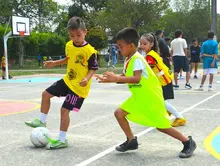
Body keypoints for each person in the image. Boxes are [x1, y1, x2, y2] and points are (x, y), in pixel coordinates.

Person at [96, 28, 196, 158]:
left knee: (161, 126)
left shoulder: (137, 59)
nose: (119, 49)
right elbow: (125, 76)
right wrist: (110, 79)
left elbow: (136, 78)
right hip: (139, 96)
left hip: (150, 97)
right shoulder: (129, 59)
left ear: (131, 45)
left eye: (121, 46)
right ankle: (131, 140)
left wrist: (117, 78)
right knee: (119, 113)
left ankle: (188, 142)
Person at [25, 16, 98, 149]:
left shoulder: (90, 51)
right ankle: (41, 121)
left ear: (85, 32)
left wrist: (87, 78)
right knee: (45, 94)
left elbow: (93, 69)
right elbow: (68, 58)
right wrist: (55, 63)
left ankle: (62, 140)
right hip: (67, 80)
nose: (75, 38)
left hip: (78, 88)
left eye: (78, 35)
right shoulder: (69, 45)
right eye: (72, 35)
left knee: (64, 110)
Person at [140, 33, 186, 127]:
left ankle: (179, 117)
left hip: (163, 81)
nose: (142, 46)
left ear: (151, 44)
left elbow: (148, 71)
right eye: (140, 43)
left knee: (161, 101)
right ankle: (166, 113)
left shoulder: (149, 56)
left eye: (144, 44)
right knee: (161, 101)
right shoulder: (152, 54)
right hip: (164, 79)